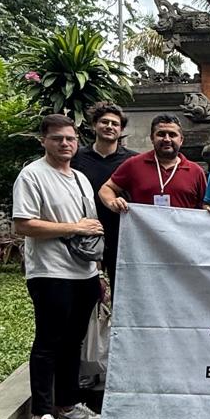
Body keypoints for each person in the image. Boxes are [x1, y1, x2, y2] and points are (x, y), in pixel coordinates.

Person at [12, 115, 104, 419]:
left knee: (72, 341)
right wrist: (73, 228)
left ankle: (67, 403)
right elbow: (23, 224)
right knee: (48, 342)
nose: (65, 144)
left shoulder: (80, 178)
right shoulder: (32, 175)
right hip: (50, 272)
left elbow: (90, 226)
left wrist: (98, 271)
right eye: (57, 138)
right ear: (44, 140)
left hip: (84, 272)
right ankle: (41, 416)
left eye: (70, 138)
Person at [72, 101, 134, 290]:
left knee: (122, 289)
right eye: (104, 122)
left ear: (121, 130)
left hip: (121, 233)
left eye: (115, 124)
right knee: (85, 291)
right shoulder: (76, 158)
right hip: (85, 231)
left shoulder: (132, 160)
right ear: (94, 125)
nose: (109, 126)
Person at [98, 114, 206, 214]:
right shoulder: (134, 164)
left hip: (182, 229)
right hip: (143, 229)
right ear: (152, 138)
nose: (166, 139)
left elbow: (205, 205)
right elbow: (107, 188)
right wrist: (112, 202)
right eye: (161, 134)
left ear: (181, 140)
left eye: (172, 135)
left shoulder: (196, 171)